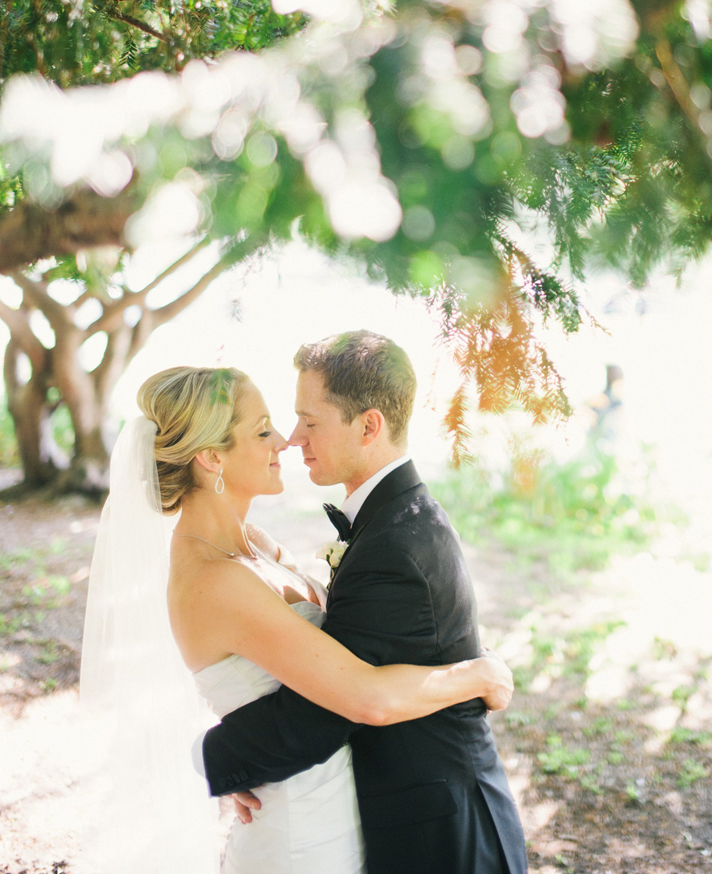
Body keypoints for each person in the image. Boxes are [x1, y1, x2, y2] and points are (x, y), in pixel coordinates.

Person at [80, 363, 513, 874]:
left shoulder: (255, 546)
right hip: (303, 835)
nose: (284, 440)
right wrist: (479, 674)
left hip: (341, 806)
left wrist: (233, 757)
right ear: (211, 457)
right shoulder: (215, 579)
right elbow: (365, 696)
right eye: (263, 429)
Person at [201, 331, 528, 874]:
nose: (292, 438)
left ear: (369, 425)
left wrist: (206, 764)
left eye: (311, 421)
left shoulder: (393, 544)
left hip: (444, 837)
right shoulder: (398, 517)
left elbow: (320, 713)